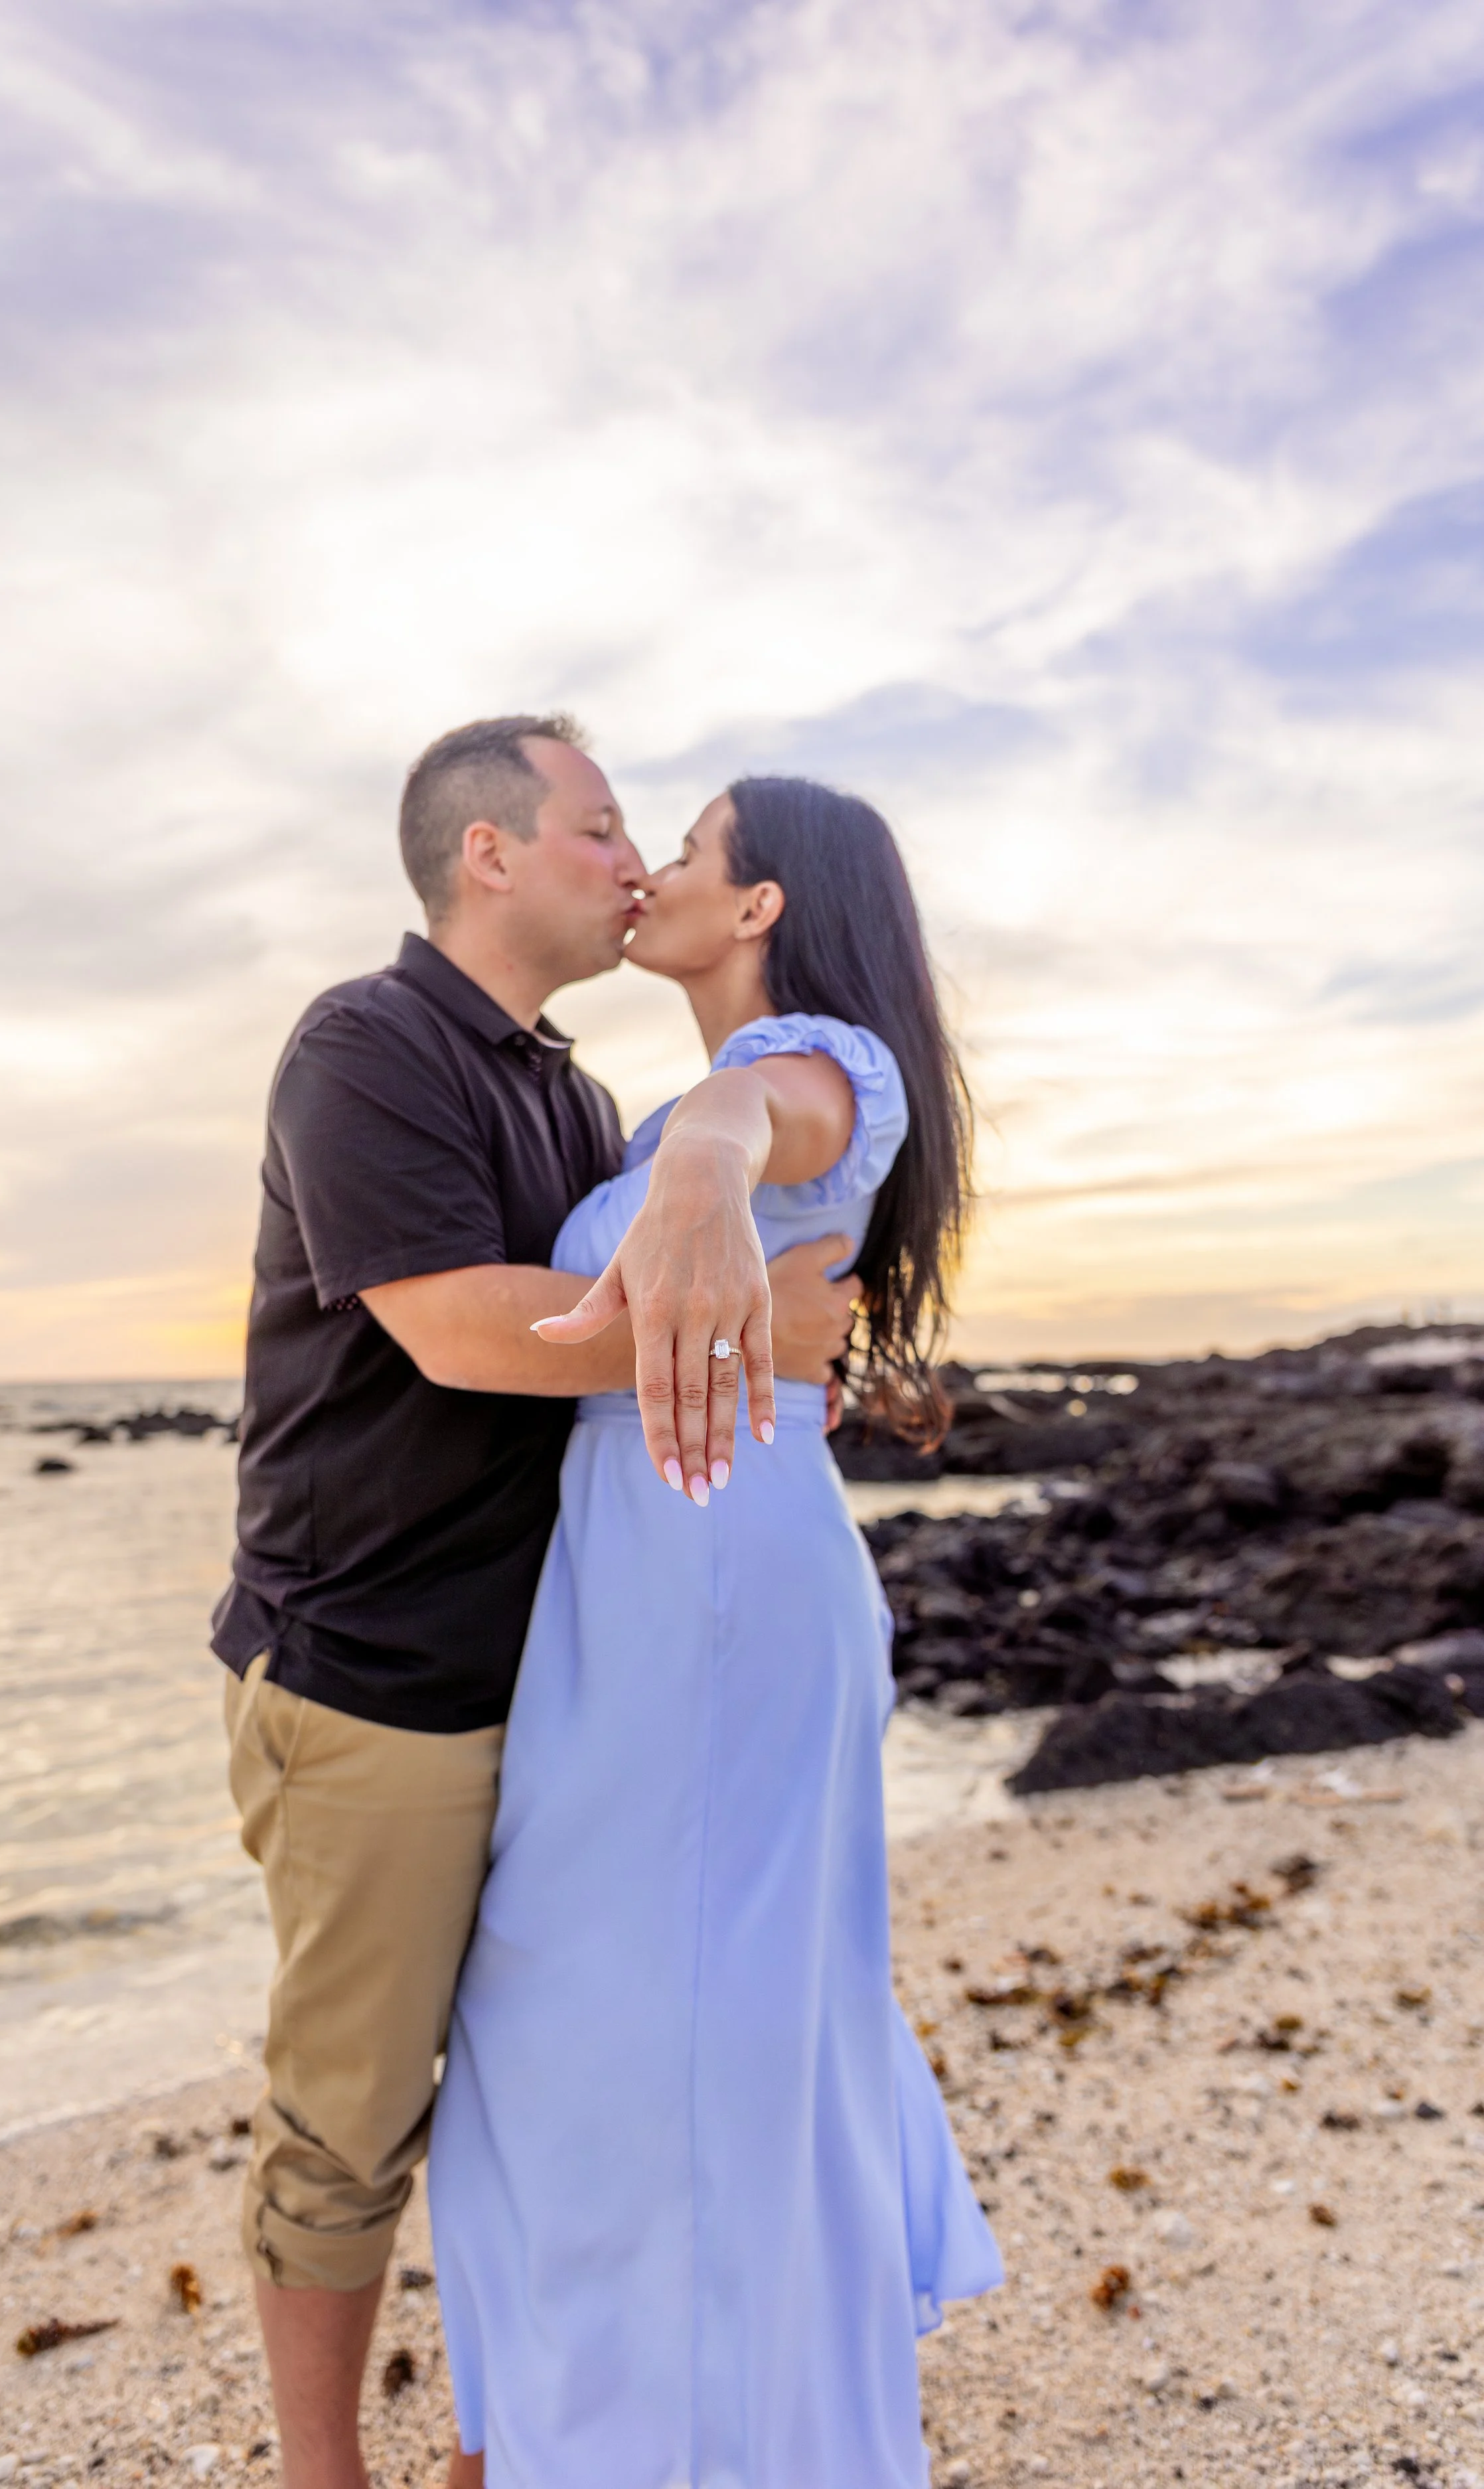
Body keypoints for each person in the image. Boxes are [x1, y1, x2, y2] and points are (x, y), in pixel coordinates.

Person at [212, 716, 858, 2489]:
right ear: (485, 853)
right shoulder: (367, 1042)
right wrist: (748, 1329)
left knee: (529, 2084)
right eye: (596, 825)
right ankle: (320, 2473)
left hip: (552, 1679)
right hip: (377, 1672)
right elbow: (454, 1325)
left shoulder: (568, 1090)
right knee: (353, 2118)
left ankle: (519, 2426)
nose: (628, 858)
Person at [429, 776, 1005, 2488]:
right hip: (646, 1568)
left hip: (720, 1576)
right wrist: (680, 1151)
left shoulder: (816, 1068)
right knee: (578, 2012)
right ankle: (581, 2424)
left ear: (757, 907)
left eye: (681, 846)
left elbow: (777, 1124)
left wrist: (701, 1154)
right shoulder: (664, 1105)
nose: (650, 870)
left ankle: (706, 2437)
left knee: (665, 2023)